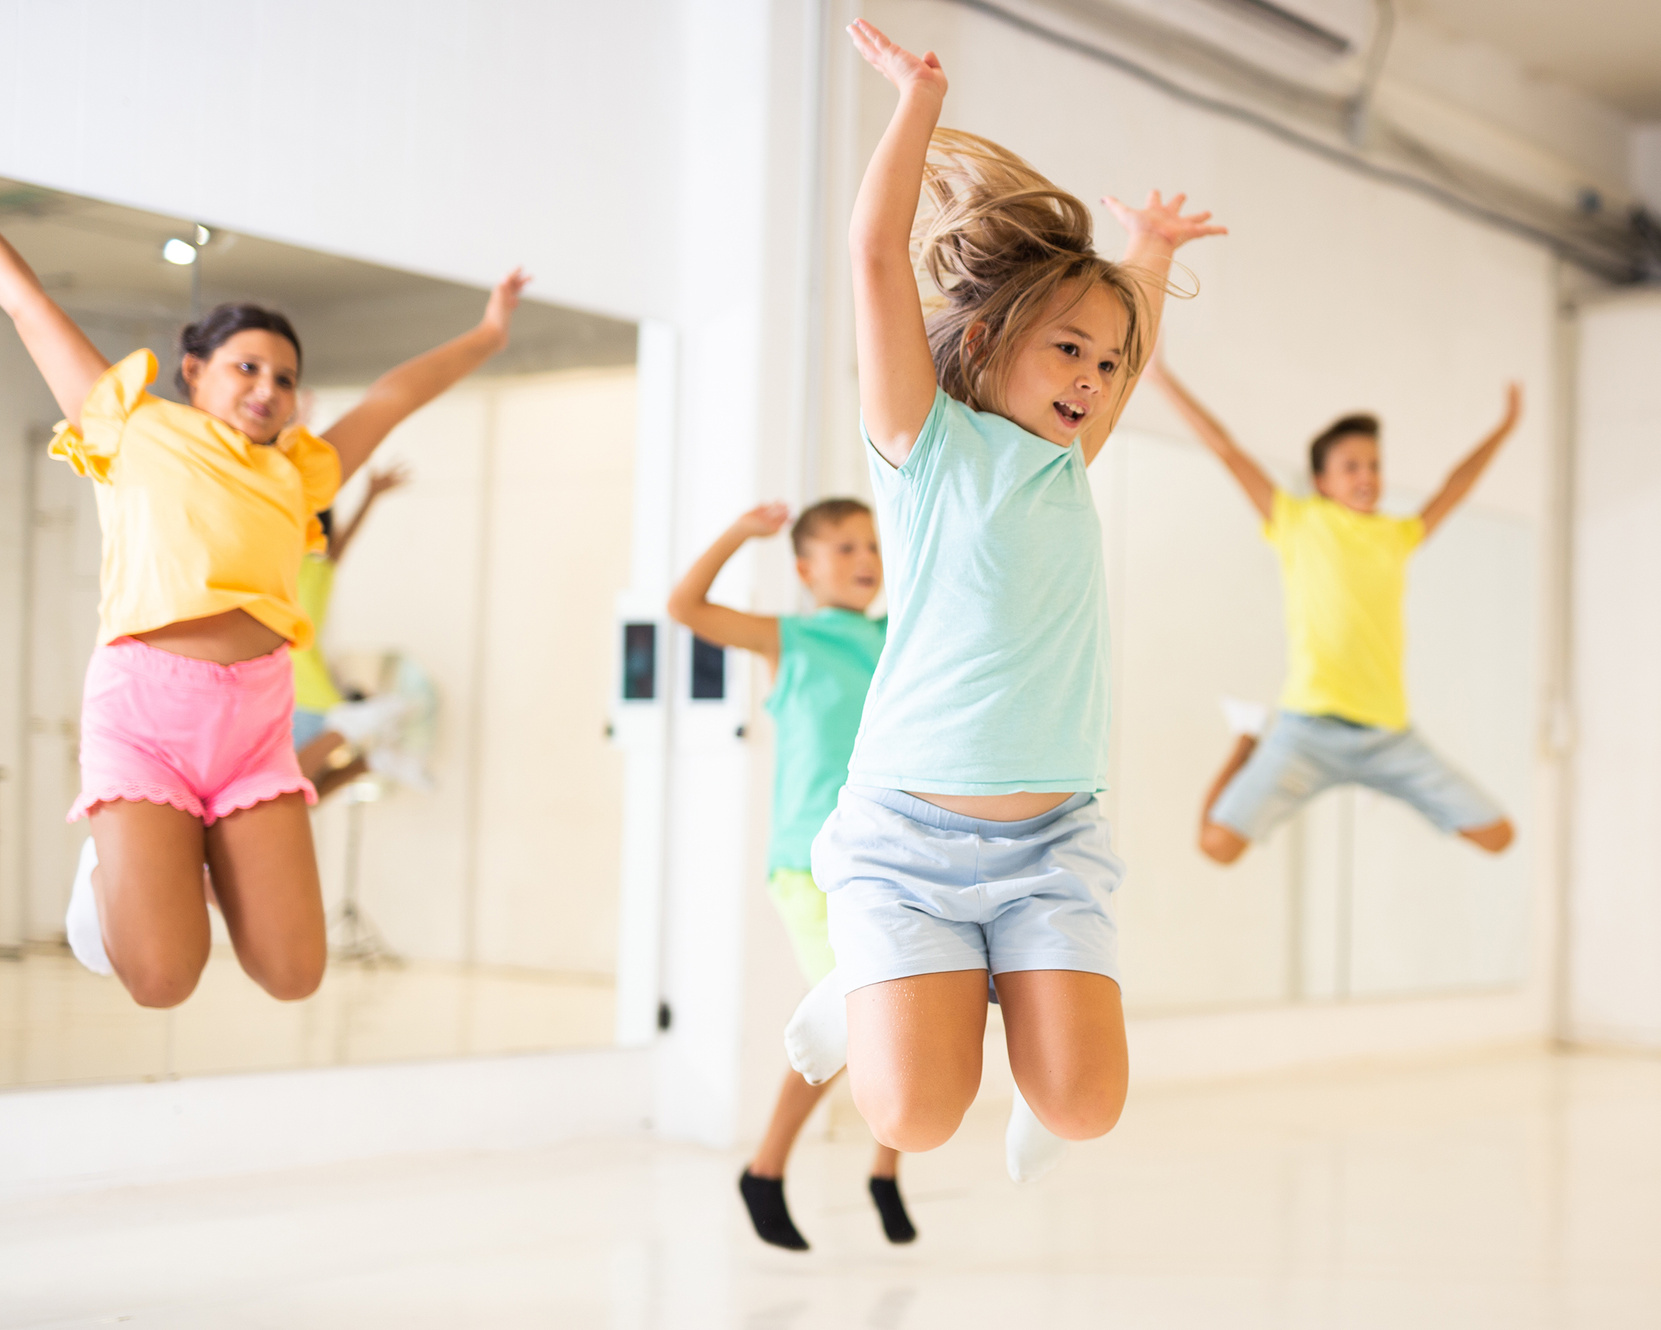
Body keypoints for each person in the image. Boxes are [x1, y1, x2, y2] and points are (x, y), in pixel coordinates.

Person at [787, 19, 1223, 1174]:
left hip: (1053, 841)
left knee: (1083, 1109)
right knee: (914, 1119)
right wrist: (916, 102)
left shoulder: (1063, 461)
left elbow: (1118, 338)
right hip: (906, 838)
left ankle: (971, 980)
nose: (1090, 378)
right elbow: (873, 255)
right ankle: (882, 974)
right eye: (1067, 351)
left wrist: (1147, 256)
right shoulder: (921, 445)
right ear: (987, 338)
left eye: (1106, 364)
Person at [0, 222, 526, 1003]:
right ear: (193, 370)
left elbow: (394, 396)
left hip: (254, 722)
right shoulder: (133, 428)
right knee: (164, 982)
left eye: (284, 378)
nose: (268, 389)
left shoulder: (297, 472)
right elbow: (25, 300)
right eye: (247, 367)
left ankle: (190, 855)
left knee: (293, 975)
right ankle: (115, 867)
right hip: (147, 713)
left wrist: (488, 332)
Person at [1145, 354, 1519, 864]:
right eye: (1352, 466)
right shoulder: (1296, 521)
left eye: (1375, 465)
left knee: (1498, 836)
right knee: (1217, 847)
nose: (1367, 476)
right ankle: (1247, 737)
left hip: (1388, 737)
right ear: (1322, 480)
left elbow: (1456, 485)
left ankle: (1379, 782)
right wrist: (1161, 379)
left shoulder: (1398, 534)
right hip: (1307, 729)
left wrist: (1505, 427)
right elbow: (1225, 448)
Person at [668, 497, 915, 1250]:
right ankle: (765, 1170)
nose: (863, 557)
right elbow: (683, 607)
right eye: (842, 547)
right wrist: (742, 533)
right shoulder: (792, 637)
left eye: (871, 543)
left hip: (894, 856)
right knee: (852, 1016)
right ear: (805, 570)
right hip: (810, 865)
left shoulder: (897, 638)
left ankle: (885, 1172)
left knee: (912, 1010)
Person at [291, 463, 411, 799]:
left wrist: (371, 494)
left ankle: (349, 729)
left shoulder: (292, 567)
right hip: (308, 692)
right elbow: (344, 538)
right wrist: (371, 495)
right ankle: (369, 759)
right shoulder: (319, 569)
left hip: (297, 692)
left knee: (288, 792)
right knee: (299, 799)